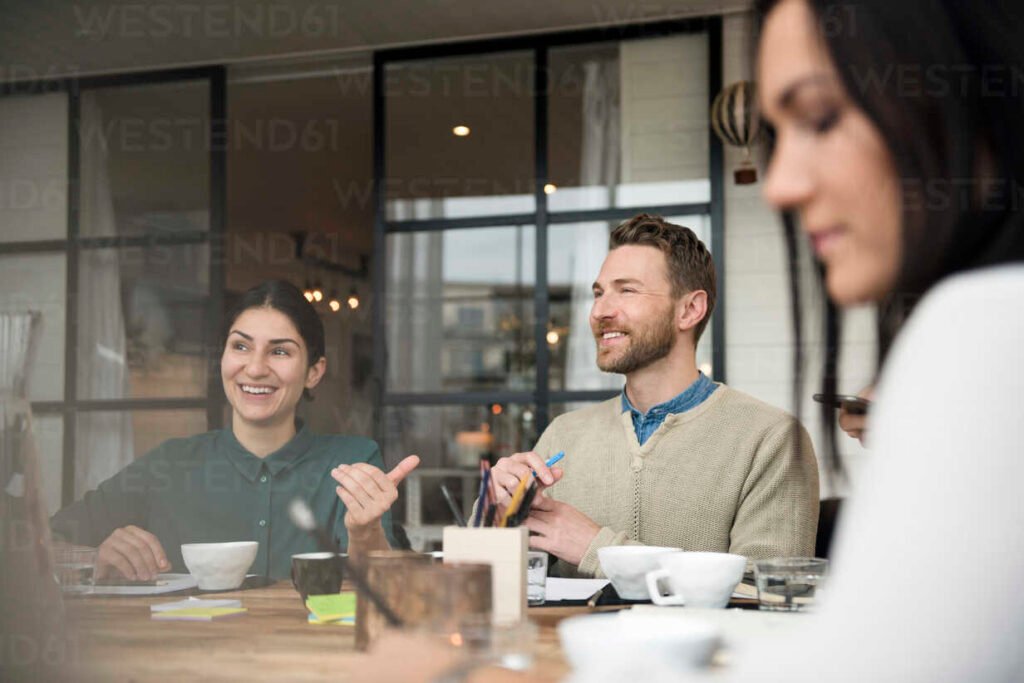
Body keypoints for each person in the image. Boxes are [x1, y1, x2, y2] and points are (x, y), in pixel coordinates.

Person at [489, 214, 819, 578]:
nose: (599, 311)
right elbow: (504, 580)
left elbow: (766, 590)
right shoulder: (563, 434)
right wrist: (498, 517)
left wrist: (597, 550)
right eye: (598, 293)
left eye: (627, 290)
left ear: (689, 310)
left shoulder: (772, 439)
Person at [50, 280, 419, 580]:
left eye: (280, 351)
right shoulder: (169, 464)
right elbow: (42, 546)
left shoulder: (352, 462)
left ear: (314, 372)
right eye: (241, 346)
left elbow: (388, 587)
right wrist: (95, 557)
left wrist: (365, 534)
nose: (255, 369)